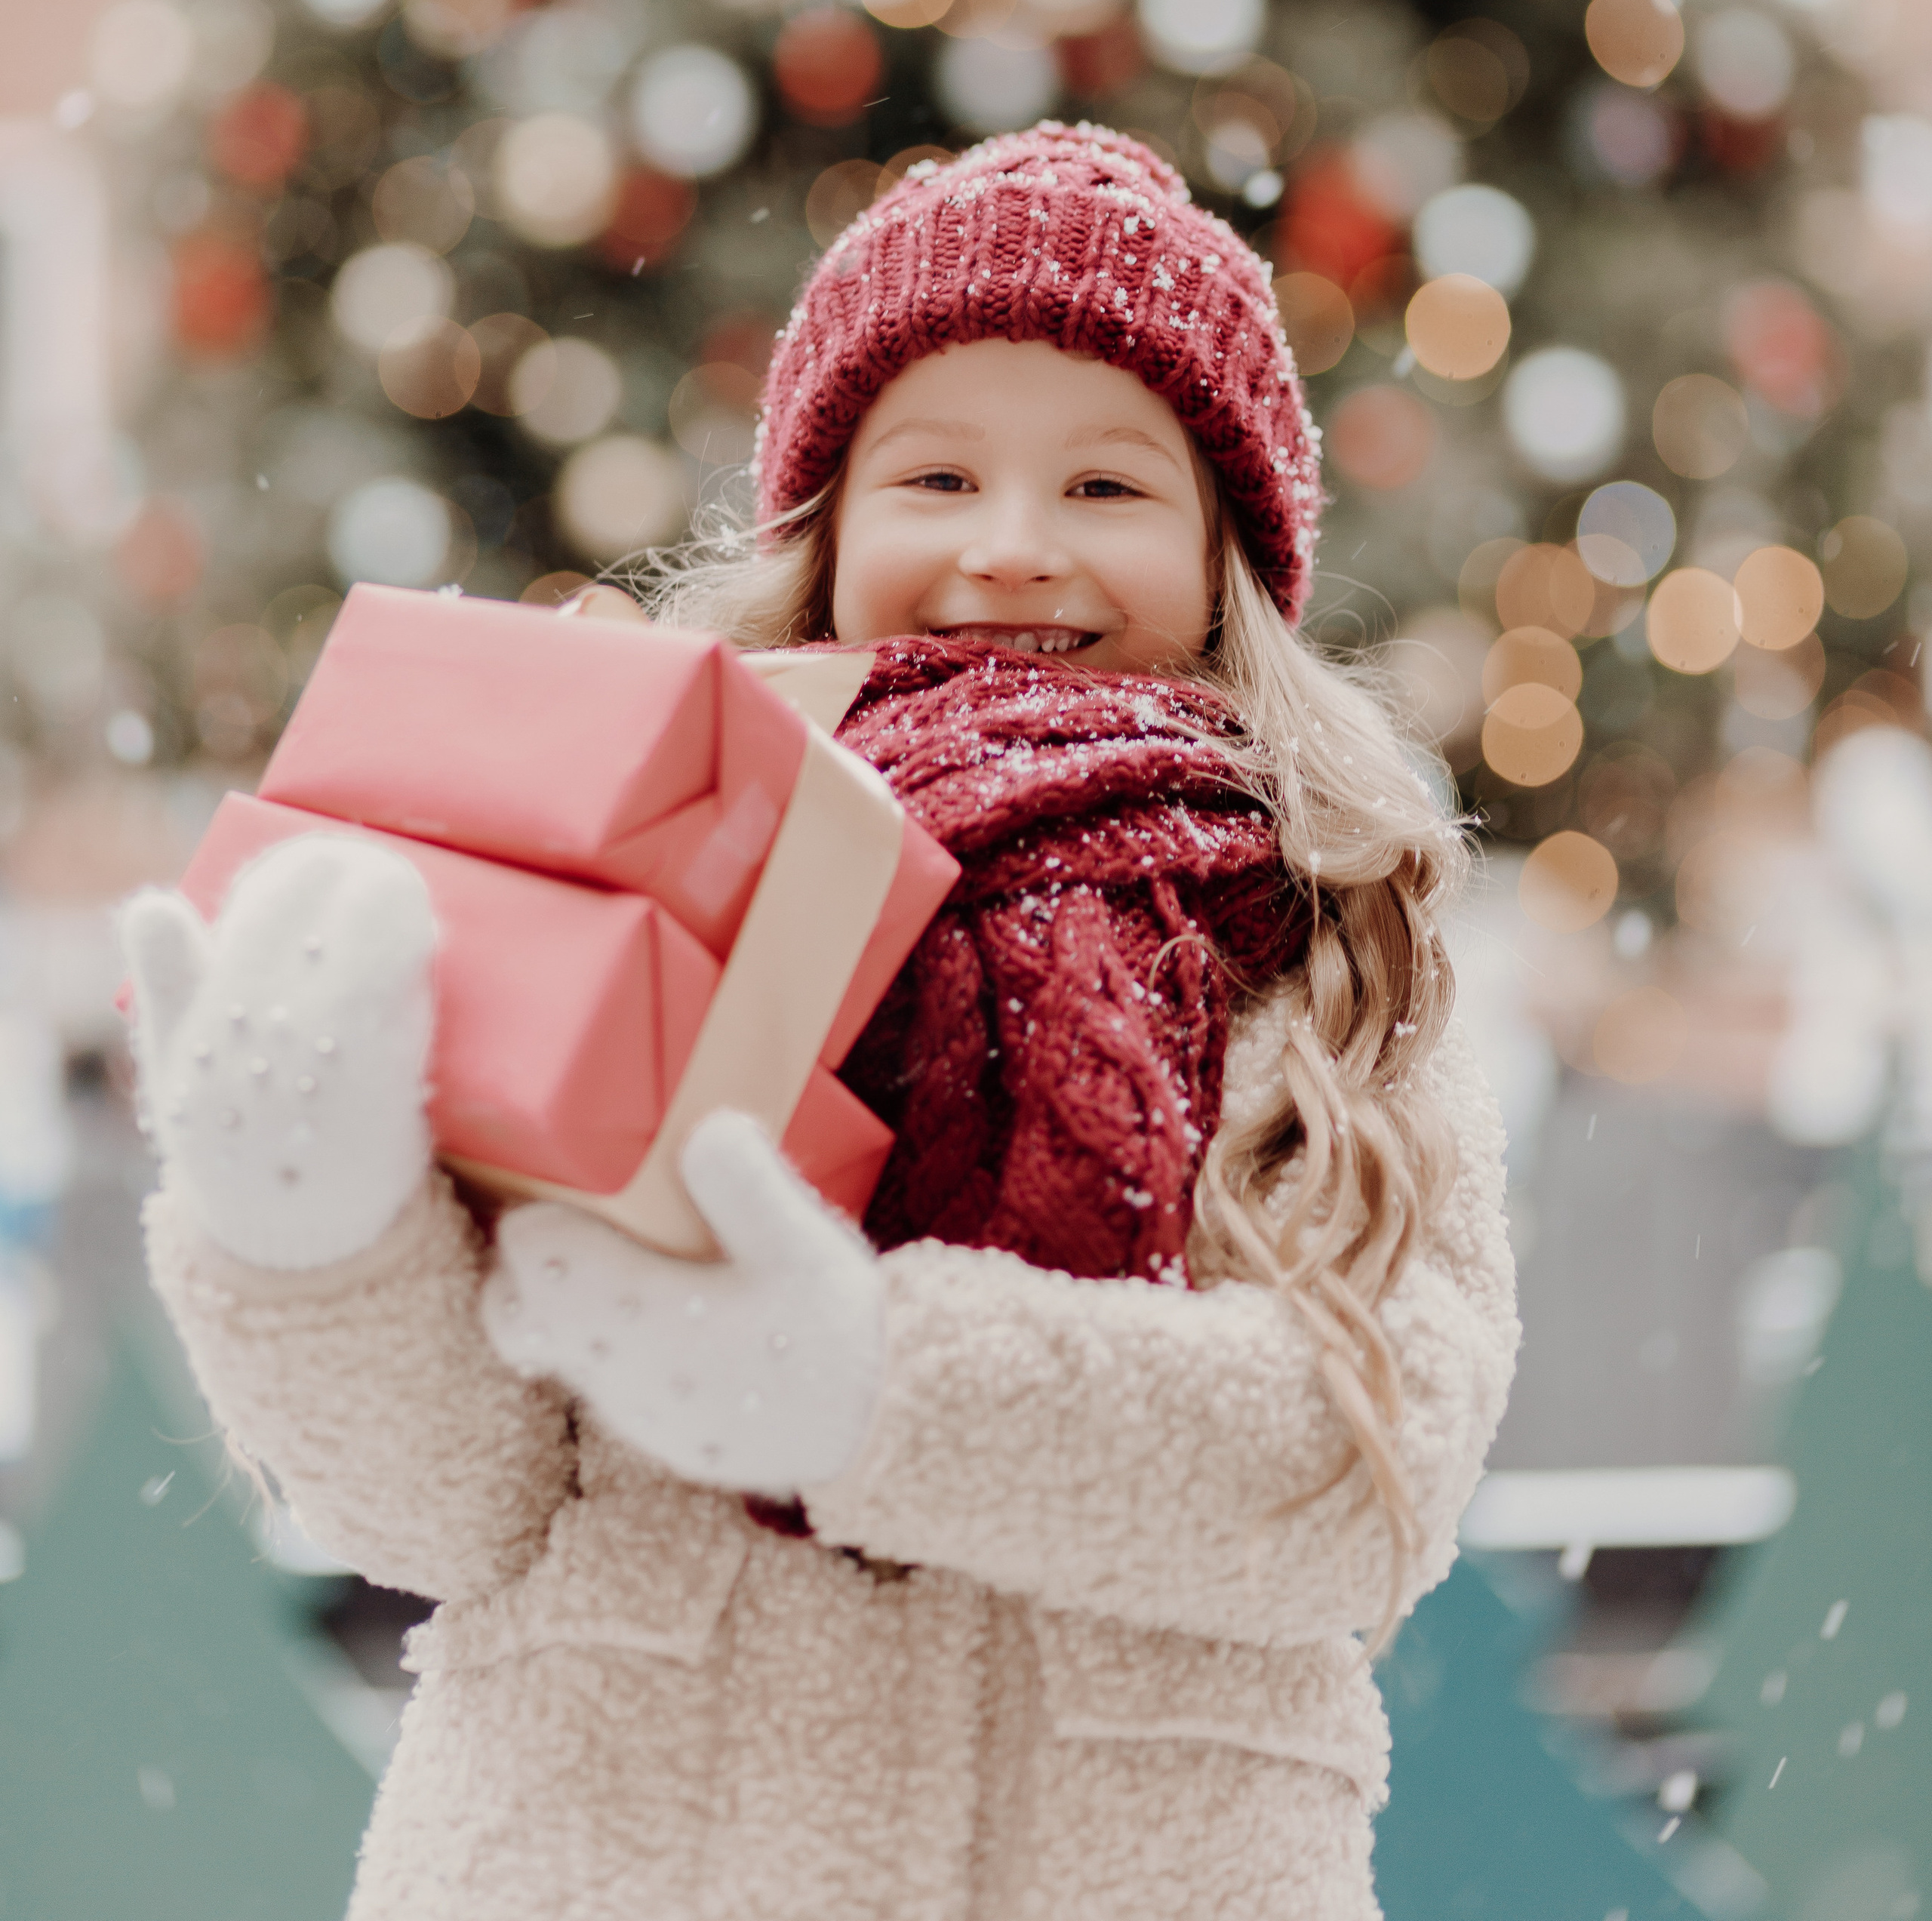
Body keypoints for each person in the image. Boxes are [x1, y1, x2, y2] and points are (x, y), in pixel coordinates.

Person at [125, 122, 1518, 1921]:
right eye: (933, 478)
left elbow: (1368, 1464)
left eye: (1107, 489)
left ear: (1228, 553)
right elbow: (440, 1503)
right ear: (831, 521)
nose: (1013, 551)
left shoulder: (1324, 938)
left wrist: (869, 1384)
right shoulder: (639, 857)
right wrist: (314, 1233)